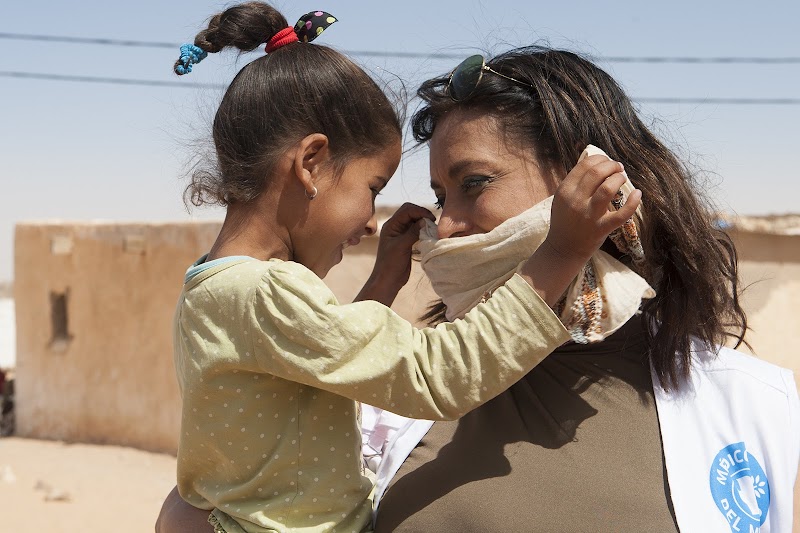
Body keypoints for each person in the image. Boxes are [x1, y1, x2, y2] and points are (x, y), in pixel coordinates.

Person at [162, 4, 640, 532]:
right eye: (372, 189)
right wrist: (559, 254)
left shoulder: (214, 284)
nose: (371, 221)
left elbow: (333, 365)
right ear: (311, 164)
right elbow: (433, 375)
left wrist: (385, 279)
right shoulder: (263, 291)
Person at [370, 48, 799, 532]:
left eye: (474, 182)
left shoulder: (753, 404)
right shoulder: (401, 387)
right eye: (440, 196)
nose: (445, 227)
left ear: (592, 178)